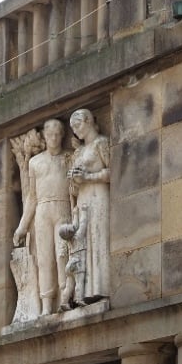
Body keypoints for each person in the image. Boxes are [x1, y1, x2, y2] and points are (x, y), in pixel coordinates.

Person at [13, 118, 72, 316]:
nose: (54, 138)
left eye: (57, 135)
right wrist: (22, 226)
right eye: (50, 135)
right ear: (45, 137)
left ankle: (66, 296)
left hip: (63, 207)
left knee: (63, 255)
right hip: (42, 211)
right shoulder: (35, 162)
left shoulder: (69, 158)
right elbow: (32, 197)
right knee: (45, 258)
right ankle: (47, 303)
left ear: (62, 136)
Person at [65, 107, 111, 304]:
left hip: (98, 195)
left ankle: (101, 287)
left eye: (78, 125)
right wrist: (74, 181)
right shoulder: (79, 152)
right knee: (84, 243)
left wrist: (88, 177)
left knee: (98, 238)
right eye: (73, 128)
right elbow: (73, 190)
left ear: (89, 121)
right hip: (83, 199)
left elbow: (112, 172)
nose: (76, 130)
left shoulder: (101, 143)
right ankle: (83, 292)